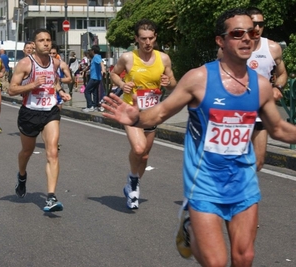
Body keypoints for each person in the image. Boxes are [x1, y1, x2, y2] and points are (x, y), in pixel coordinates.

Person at [102, 8, 296, 266]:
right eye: (237, 33)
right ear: (221, 41)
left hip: (243, 180)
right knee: (215, 262)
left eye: (251, 32)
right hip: (205, 182)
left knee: (245, 256)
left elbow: (279, 129)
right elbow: (160, 113)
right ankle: (191, 228)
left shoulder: (260, 85)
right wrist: (136, 117)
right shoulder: (199, 79)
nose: (247, 38)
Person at [109, 19, 176, 209]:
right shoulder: (128, 58)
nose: (148, 42)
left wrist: (167, 82)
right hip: (131, 111)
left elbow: (173, 84)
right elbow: (114, 73)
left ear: (155, 38)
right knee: (138, 149)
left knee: (145, 156)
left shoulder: (164, 59)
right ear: (136, 39)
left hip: (152, 112)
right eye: (143, 39)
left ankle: (133, 183)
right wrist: (123, 84)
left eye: (151, 38)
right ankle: (133, 180)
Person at [8, 28, 71, 212]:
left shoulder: (56, 63)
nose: (45, 43)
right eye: (41, 40)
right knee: (26, 152)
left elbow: (55, 82)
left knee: (52, 152)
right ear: (34, 44)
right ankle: (21, 176)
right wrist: (33, 84)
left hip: (50, 111)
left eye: (48, 40)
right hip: (30, 113)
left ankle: (51, 197)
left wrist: (60, 92)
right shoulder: (25, 64)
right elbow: (12, 89)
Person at [246, 7, 288, 171]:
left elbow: (282, 73)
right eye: (253, 23)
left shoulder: (273, 48)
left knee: (258, 161)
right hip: (236, 110)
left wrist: (277, 86)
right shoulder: (230, 47)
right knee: (236, 159)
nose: (257, 28)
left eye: (260, 24)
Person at [80, 45, 106, 112]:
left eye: (91, 50)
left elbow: (101, 63)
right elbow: (90, 66)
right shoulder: (95, 58)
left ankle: (90, 106)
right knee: (95, 92)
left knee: (87, 91)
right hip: (97, 78)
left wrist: (103, 70)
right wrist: (83, 71)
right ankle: (95, 106)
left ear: (93, 51)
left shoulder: (96, 56)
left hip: (94, 78)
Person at [50, 44, 72, 110]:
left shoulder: (62, 64)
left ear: (57, 54)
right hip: (44, 95)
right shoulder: (42, 64)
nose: (51, 55)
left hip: (57, 94)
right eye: (50, 53)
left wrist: (59, 80)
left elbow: (69, 79)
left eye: (54, 53)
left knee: (56, 118)